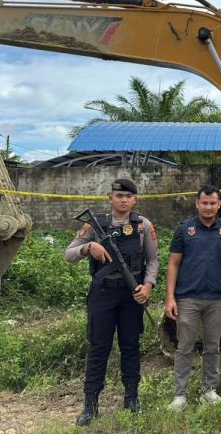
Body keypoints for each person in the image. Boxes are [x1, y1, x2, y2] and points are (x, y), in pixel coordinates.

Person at [65, 178, 158, 426]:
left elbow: (153, 259)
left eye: (128, 196)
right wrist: (89, 247)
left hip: (131, 294)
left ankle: (132, 399)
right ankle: (90, 405)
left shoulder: (143, 225)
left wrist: (148, 286)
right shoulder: (95, 225)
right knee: (98, 348)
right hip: (103, 293)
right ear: (111, 199)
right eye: (119, 196)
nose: (124, 200)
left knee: (131, 346)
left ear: (135, 200)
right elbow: (69, 254)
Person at [164, 185, 221, 411]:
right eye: (204, 203)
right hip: (188, 298)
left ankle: (209, 390)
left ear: (219, 205)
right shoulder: (184, 230)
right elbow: (173, 264)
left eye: (212, 203)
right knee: (185, 346)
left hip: (217, 298)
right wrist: (170, 298)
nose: (208, 207)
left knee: (212, 346)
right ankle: (180, 394)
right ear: (197, 204)